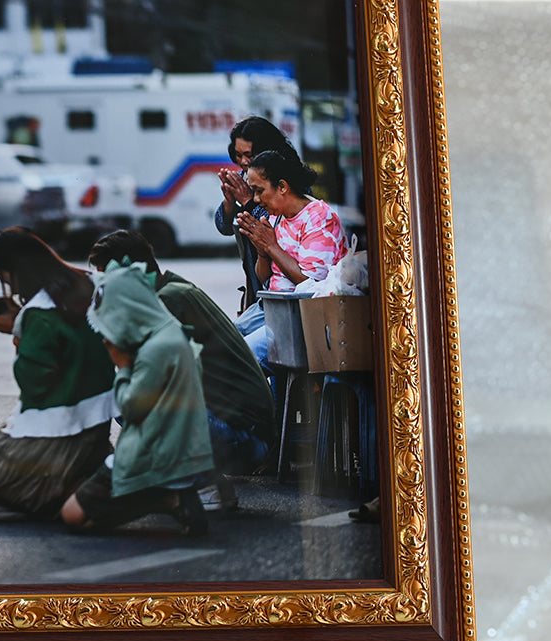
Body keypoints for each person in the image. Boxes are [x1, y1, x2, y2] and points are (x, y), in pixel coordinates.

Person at [0, 228, 116, 521]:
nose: (7, 287)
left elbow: (34, 385)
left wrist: (18, 331)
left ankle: (39, 498)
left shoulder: (38, 317)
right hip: (96, 430)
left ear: (18, 273)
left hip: (53, 433)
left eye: (5, 279)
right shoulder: (90, 286)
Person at [88, 229, 274, 504]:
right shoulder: (170, 287)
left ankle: (199, 486)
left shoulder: (167, 302)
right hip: (240, 429)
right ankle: (204, 481)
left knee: (130, 403)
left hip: (244, 438)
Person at [60, 260, 214, 535]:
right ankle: (164, 497)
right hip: (180, 449)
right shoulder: (168, 332)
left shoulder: (155, 349)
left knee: (71, 515)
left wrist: (122, 367)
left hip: (154, 456)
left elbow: (130, 407)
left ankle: (163, 498)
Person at [235, 150, 350, 368]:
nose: (257, 199)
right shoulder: (275, 217)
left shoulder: (319, 217)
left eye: (259, 191)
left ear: (282, 187)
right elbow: (266, 278)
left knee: (243, 355)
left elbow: (310, 284)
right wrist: (262, 251)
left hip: (302, 314)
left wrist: (271, 246)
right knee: (221, 342)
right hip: (273, 307)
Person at [213, 116, 302, 325]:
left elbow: (272, 224)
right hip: (256, 282)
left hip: (284, 285)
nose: (243, 162)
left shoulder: (289, 180)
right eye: (238, 155)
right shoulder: (247, 177)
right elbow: (224, 226)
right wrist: (229, 201)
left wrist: (246, 200)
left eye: (249, 155)